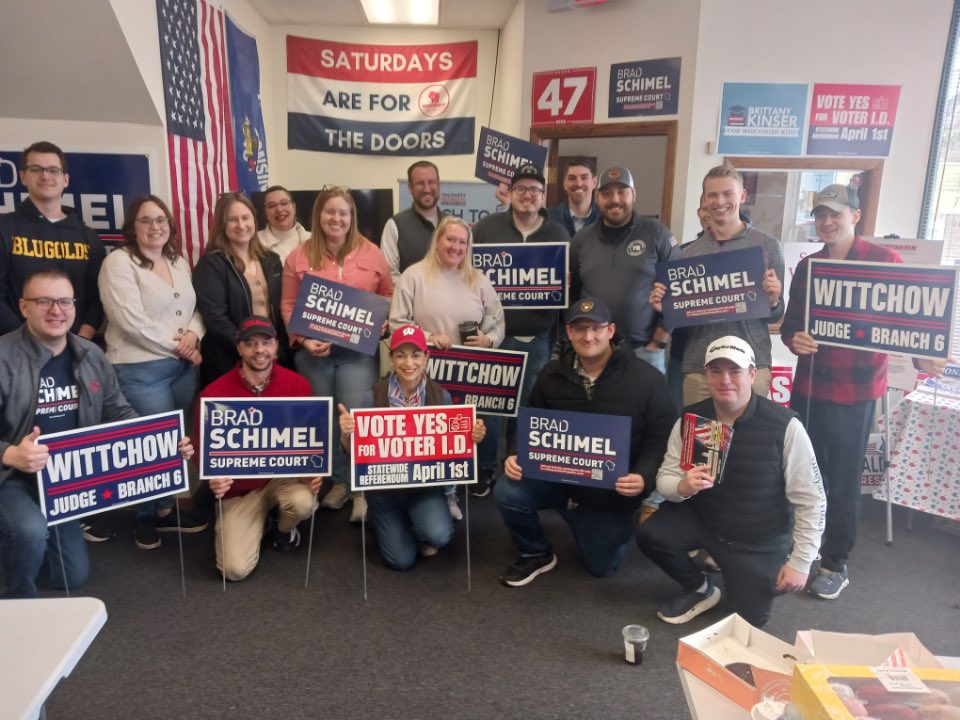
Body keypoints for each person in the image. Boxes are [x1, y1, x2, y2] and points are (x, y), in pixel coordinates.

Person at [0, 270, 196, 598]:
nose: (56, 310)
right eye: (43, 301)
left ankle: (23, 544)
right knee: (29, 532)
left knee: (72, 577)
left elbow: (117, 411)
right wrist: (10, 454)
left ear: (74, 307)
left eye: (64, 301)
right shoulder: (4, 356)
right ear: (23, 307)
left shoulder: (90, 355)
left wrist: (163, 445)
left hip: (63, 484)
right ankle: (16, 599)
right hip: (12, 478)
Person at [636, 336, 825, 628]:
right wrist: (683, 488)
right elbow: (665, 480)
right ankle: (700, 588)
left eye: (734, 371)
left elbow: (812, 500)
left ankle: (740, 575)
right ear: (706, 375)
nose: (725, 380)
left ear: (752, 374)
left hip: (758, 539)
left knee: (746, 623)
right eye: (715, 371)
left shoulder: (786, 426)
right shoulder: (691, 419)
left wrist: (801, 562)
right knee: (651, 533)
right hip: (706, 520)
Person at [494, 297, 676, 586]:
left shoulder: (648, 379)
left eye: (596, 328)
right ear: (568, 332)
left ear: (611, 330)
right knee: (508, 490)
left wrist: (644, 477)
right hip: (558, 481)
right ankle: (535, 551)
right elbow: (528, 422)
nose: (588, 336)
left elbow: (662, 438)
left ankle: (599, 528)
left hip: (609, 495)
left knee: (602, 568)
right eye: (579, 329)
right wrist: (516, 453)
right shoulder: (551, 374)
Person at [781, 184, 902, 600]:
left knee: (845, 479)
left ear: (854, 214)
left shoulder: (885, 260)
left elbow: (906, 323)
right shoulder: (809, 266)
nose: (826, 222)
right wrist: (795, 339)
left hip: (856, 390)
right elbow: (790, 326)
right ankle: (804, 549)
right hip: (810, 389)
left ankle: (836, 562)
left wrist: (928, 358)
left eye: (834, 214)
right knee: (803, 474)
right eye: (819, 215)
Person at [99, 195, 207, 549]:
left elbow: (193, 308)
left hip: (180, 369)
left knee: (176, 444)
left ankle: (164, 509)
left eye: (161, 220)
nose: (155, 227)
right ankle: (143, 516)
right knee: (150, 444)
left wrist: (193, 335)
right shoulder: (118, 263)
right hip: (139, 368)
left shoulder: (177, 261)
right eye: (146, 220)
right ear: (132, 226)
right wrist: (181, 347)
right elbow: (130, 322)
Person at [281, 187, 393, 523]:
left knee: (357, 417)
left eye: (343, 213)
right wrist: (301, 339)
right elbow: (287, 304)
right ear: (318, 216)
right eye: (329, 212)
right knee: (324, 419)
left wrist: (383, 319)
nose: (336, 219)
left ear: (352, 217)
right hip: (314, 354)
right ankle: (338, 482)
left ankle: (362, 488)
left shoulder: (372, 254)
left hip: (358, 354)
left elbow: (387, 294)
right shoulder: (298, 256)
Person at [339, 325, 487, 570]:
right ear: (391, 358)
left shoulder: (442, 397)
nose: (409, 363)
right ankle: (384, 519)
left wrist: (472, 436)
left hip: (424, 488)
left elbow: (455, 452)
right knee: (401, 560)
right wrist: (347, 434)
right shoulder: (372, 397)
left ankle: (416, 521)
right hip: (384, 492)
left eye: (416, 354)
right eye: (401, 355)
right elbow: (353, 454)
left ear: (427, 357)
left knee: (438, 535)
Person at [390, 215, 505, 518]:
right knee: (434, 433)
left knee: (461, 431)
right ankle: (432, 489)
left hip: (469, 370)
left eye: (462, 242)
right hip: (426, 370)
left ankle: (452, 491)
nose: (456, 246)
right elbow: (397, 323)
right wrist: (427, 337)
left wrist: (488, 340)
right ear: (438, 241)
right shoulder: (413, 276)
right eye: (450, 239)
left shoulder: (478, 279)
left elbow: (497, 321)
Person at [197, 316, 320, 581]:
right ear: (239, 348)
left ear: (276, 346)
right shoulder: (213, 394)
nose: (259, 350)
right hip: (241, 490)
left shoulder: (298, 386)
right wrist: (212, 478)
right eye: (250, 343)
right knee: (234, 570)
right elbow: (201, 448)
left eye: (266, 343)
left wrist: (313, 471)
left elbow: (309, 440)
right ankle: (261, 521)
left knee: (302, 503)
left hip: (282, 479)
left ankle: (284, 529)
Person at [650, 162, 784, 405]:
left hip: (750, 366)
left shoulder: (768, 246)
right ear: (704, 199)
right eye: (712, 194)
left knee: (747, 441)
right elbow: (681, 319)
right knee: (701, 442)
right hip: (700, 368)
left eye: (728, 193)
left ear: (742, 196)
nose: (720, 201)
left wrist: (774, 301)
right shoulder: (686, 254)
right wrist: (665, 308)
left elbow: (775, 315)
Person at [472, 164, 569, 496]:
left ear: (543, 197)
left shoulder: (558, 233)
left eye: (535, 190)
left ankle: (517, 464)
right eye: (522, 189)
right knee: (489, 407)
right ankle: (484, 470)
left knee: (527, 406)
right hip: (493, 337)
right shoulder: (486, 227)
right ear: (509, 194)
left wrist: (564, 283)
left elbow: (567, 286)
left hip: (537, 337)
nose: (528, 195)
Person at [570, 166, 679, 375]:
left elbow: (677, 291)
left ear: (634, 195)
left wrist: (659, 341)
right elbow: (572, 295)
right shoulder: (581, 240)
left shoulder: (658, 233)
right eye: (607, 193)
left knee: (648, 408)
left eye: (622, 192)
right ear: (597, 197)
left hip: (644, 351)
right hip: (593, 353)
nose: (615, 199)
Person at [0, 141, 106, 339]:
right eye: (36, 169)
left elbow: (97, 299)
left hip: (76, 350)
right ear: (23, 176)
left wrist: (81, 342)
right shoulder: (5, 228)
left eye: (53, 170)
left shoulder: (88, 237)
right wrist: (25, 342)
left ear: (65, 179)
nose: (45, 176)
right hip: (16, 351)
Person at [193, 192, 289, 388]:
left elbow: (281, 310)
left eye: (246, 217)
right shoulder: (212, 263)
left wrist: (275, 349)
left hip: (272, 359)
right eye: (232, 220)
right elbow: (215, 318)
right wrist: (250, 349)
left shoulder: (272, 260)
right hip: (228, 361)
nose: (241, 225)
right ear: (222, 225)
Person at [381, 161, 445, 285]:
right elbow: (389, 274)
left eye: (431, 182)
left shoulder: (453, 226)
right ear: (410, 188)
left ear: (438, 185)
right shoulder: (394, 226)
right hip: (411, 302)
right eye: (420, 183)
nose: (427, 189)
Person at [547, 156, 600, 236]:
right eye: (572, 178)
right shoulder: (548, 218)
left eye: (584, 177)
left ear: (594, 182)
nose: (578, 184)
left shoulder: (605, 218)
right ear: (564, 184)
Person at [257, 185, 309, 264]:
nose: (279, 209)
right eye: (272, 206)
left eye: (284, 203)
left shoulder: (313, 240)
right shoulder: (255, 242)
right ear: (265, 213)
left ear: (294, 207)